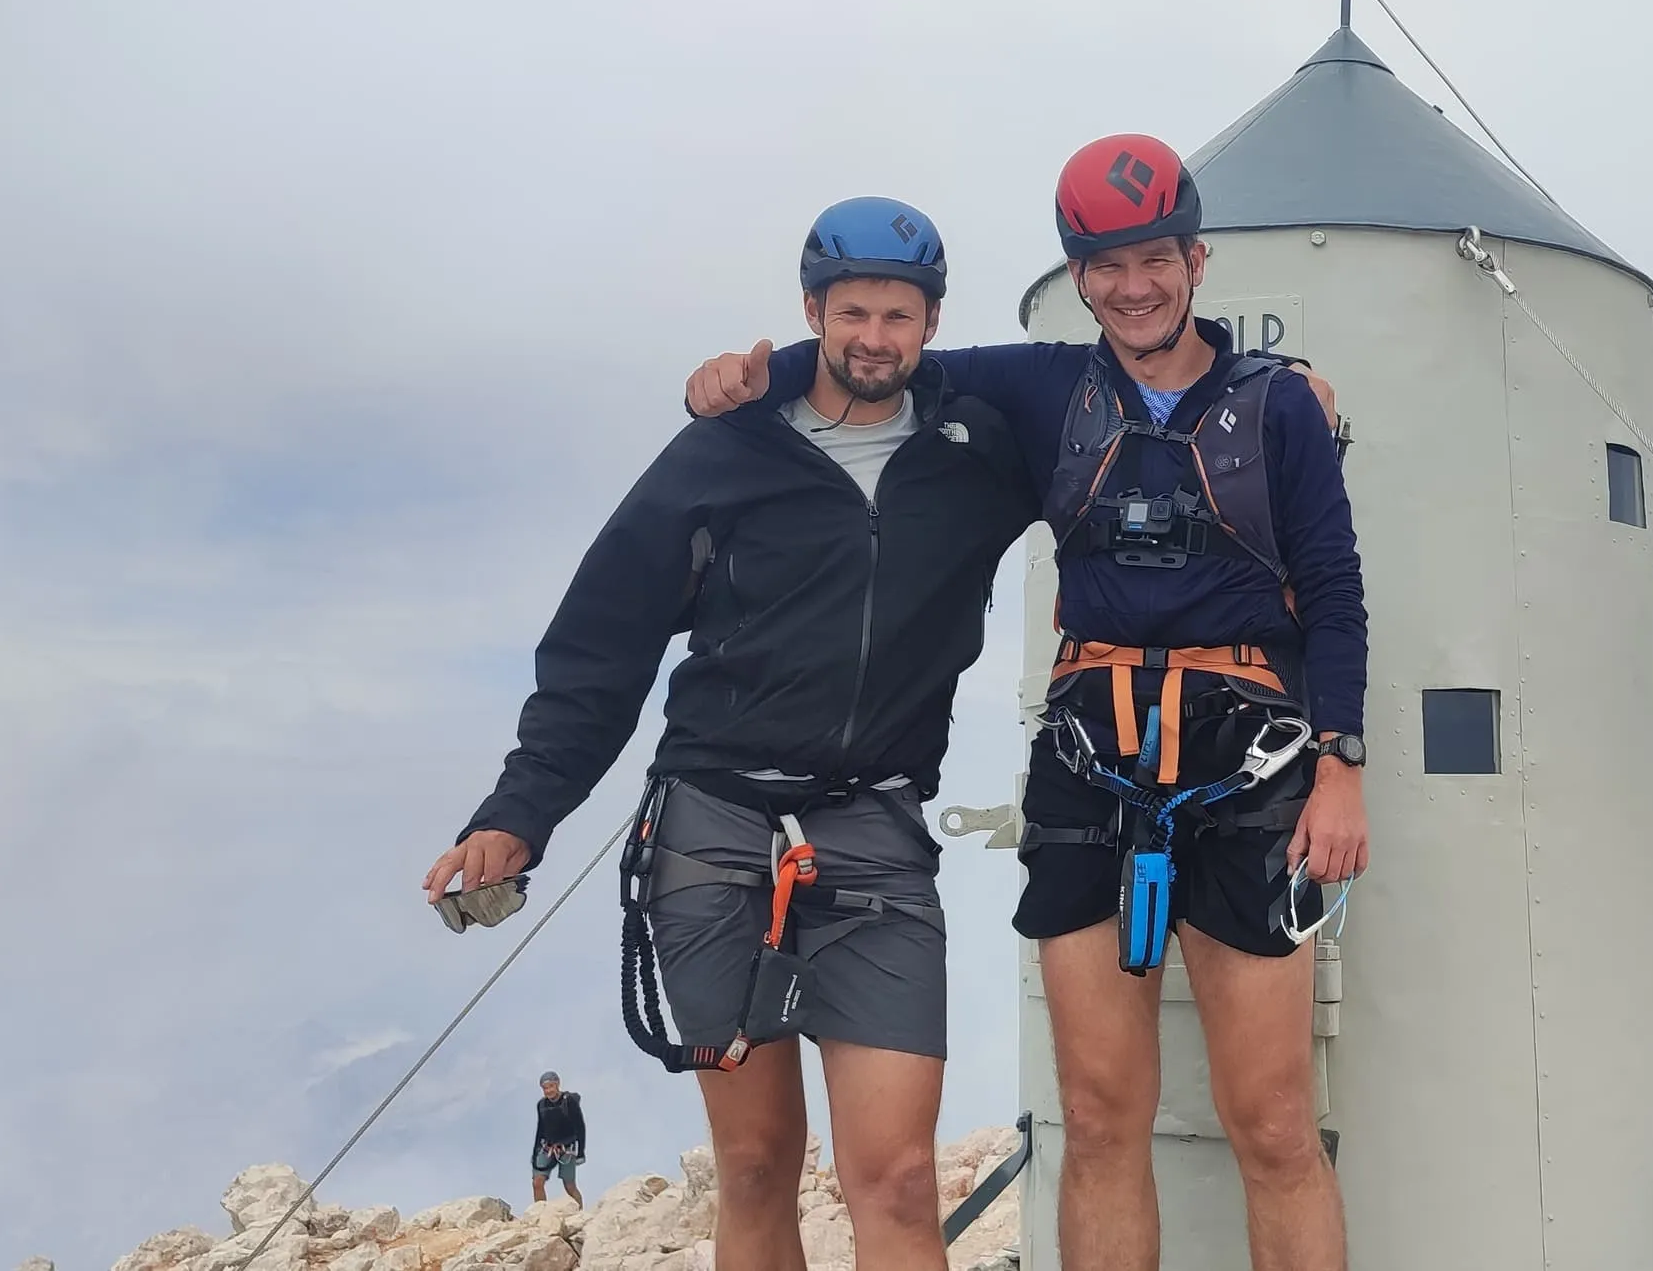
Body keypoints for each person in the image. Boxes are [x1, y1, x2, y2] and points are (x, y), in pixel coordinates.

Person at [686, 133, 1368, 1271]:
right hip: (1089, 760)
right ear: (1077, 273)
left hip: (1251, 763)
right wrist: (734, 383)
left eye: (1153, 258)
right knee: (1098, 1120)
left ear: (1196, 259)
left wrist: (1340, 766)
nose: (1132, 285)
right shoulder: (1044, 385)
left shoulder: (1277, 406)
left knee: (1274, 1125)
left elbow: (1336, 588)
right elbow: (876, 368)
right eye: (1103, 264)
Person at [426, 199, 1038, 1271]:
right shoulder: (723, 449)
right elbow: (601, 647)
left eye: (899, 315)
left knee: (894, 1176)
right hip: (711, 832)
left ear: (931, 324)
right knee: (755, 1166)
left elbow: (1129, 400)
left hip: (875, 828)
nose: (875, 338)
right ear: (812, 311)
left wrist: (1272, 389)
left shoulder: (979, 450)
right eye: (852, 312)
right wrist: (519, 815)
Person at [531, 1072, 587, 1205]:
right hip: (548, 1148)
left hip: (567, 1149)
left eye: (551, 1086)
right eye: (545, 1088)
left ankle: (579, 1214)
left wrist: (581, 1153)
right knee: (537, 1182)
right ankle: (540, 1213)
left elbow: (580, 1127)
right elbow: (540, 1129)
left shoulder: (569, 1101)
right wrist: (535, 1152)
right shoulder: (542, 1105)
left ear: (557, 1084)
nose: (548, 1090)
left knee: (569, 1186)